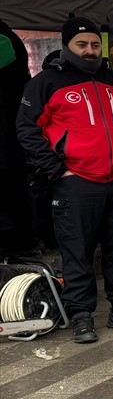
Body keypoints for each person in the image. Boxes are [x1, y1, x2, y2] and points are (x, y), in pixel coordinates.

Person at [16, 16, 113, 343]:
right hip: (75, 182)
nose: (90, 50)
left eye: (94, 44)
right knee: (77, 251)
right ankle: (81, 315)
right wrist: (56, 169)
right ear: (67, 46)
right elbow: (27, 129)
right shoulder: (46, 83)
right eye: (81, 44)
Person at [0, 18, 37, 257]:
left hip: (9, 130)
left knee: (12, 182)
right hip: (10, 128)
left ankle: (22, 242)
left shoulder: (3, 38)